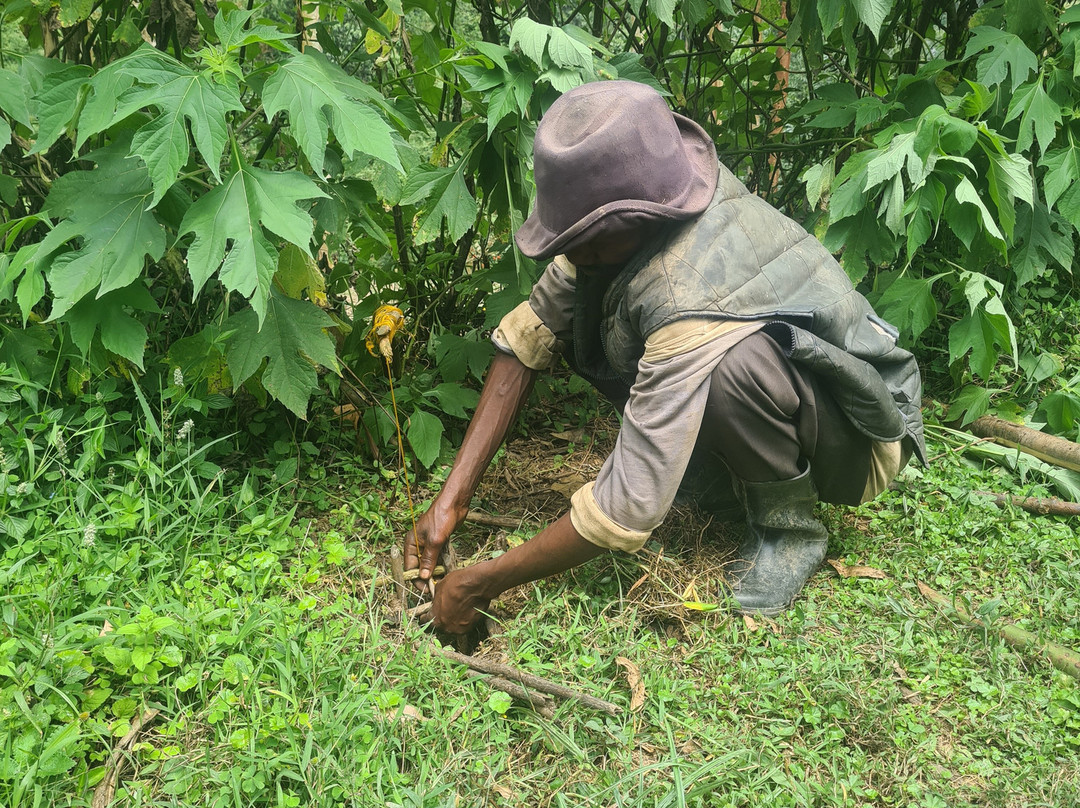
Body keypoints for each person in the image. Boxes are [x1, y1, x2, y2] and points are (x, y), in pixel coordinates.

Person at [403, 80, 925, 634]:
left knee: (732, 369)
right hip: (798, 394)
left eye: (578, 242)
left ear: (620, 228)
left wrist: (483, 582)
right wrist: (450, 501)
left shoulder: (687, 290)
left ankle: (788, 529)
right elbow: (527, 338)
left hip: (861, 430)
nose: (566, 254)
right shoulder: (648, 211)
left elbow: (627, 505)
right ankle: (722, 481)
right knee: (589, 319)